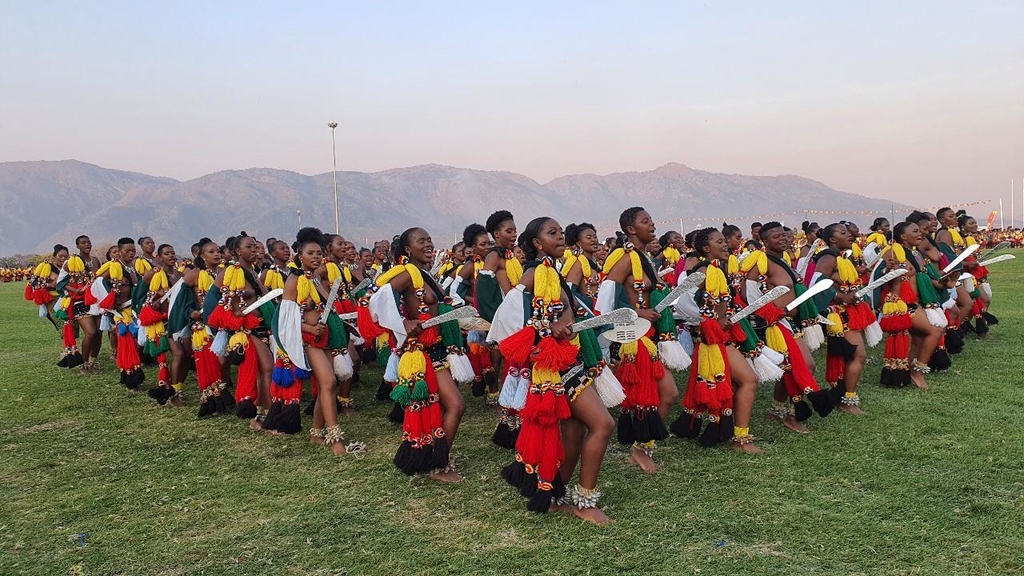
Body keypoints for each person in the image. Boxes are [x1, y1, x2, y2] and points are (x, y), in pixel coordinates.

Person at [485, 217, 617, 523]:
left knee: (573, 431)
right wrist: (539, 338)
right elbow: (505, 321)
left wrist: (562, 329)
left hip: (567, 360)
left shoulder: (551, 273)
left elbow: (564, 319)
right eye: (552, 233)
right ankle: (585, 502)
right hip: (553, 368)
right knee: (603, 424)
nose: (560, 237)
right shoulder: (533, 275)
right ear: (536, 243)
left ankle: (553, 495)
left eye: (560, 232)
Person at [359, 227, 469, 481]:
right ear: (408, 249)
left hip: (436, 348)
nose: (429, 244)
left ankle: (429, 457)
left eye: (430, 239)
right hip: (423, 350)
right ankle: (438, 466)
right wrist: (401, 322)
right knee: (456, 405)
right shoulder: (406, 273)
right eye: (422, 241)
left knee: (441, 406)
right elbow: (370, 299)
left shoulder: (424, 274)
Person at [598, 207, 684, 472]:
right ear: (631, 229)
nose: (653, 224)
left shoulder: (643, 257)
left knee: (667, 394)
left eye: (651, 220)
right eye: (645, 221)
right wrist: (637, 312)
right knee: (654, 396)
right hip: (633, 337)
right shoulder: (624, 258)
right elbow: (606, 298)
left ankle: (641, 447)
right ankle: (640, 448)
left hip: (649, 335)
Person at [271, 228, 365, 455]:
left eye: (318, 253)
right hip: (308, 340)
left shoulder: (314, 278)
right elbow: (286, 318)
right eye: (310, 253)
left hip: (324, 338)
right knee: (329, 382)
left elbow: (327, 305)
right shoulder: (294, 280)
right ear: (299, 256)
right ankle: (335, 438)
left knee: (327, 385)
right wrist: (310, 327)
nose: (316, 257)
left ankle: (316, 433)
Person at [670, 227, 763, 453]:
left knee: (734, 382)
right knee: (749, 379)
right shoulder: (701, 272)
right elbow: (680, 305)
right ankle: (741, 439)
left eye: (724, 241)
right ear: (705, 248)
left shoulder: (717, 270)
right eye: (719, 241)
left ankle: (724, 430)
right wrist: (710, 321)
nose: (724, 245)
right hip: (713, 340)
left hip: (721, 337)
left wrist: (722, 318)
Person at [741, 222, 833, 434]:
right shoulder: (761, 262)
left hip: (790, 322)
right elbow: (749, 293)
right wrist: (770, 314)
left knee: (788, 368)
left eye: (784, 235)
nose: (782, 239)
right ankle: (794, 415)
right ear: (764, 241)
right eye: (776, 237)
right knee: (806, 365)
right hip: (776, 325)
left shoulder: (783, 260)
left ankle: (777, 410)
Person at [810, 223, 885, 414]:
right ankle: (847, 400)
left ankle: (841, 395)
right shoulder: (828, 257)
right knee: (858, 355)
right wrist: (840, 297)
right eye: (843, 233)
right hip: (839, 313)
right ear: (832, 239)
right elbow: (817, 283)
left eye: (848, 231)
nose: (849, 235)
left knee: (850, 355)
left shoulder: (841, 257)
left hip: (849, 311)